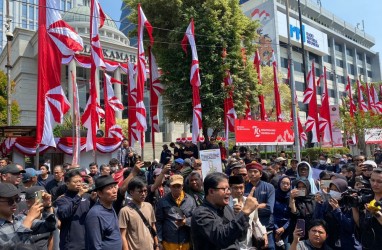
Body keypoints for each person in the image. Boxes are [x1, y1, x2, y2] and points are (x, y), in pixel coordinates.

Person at [191, 172, 259, 249]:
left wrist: (243, 216)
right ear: (211, 191)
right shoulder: (201, 214)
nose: (229, 192)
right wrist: (244, 213)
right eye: (224, 189)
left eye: (229, 188)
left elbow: (240, 236)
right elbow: (221, 238)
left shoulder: (226, 208)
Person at [0, 183, 56, 247]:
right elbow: (15, 247)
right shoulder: (26, 220)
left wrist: (48, 206)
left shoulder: (21, 218)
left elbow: (50, 226)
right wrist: (29, 218)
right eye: (10, 201)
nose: (14, 203)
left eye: (17, 199)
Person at [314, 179, 361, 250]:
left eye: (336, 190)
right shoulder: (327, 204)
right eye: (331, 189)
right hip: (329, 244)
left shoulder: (349, 205)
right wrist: (319, 205)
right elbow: (317, 222)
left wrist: (337, 210)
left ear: (343, 191)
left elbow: (349, 227)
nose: (333, 192)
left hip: (346, 245)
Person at [56, 170, 96, 250]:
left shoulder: (87, 197)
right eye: (75, 182)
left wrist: (93, 201)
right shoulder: (62, 199)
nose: (78, 184)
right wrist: (78, 196)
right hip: (71, 244)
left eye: (80, 181)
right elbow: (64, 214)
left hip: (88, 242)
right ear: (67, 183)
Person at [156, 175, 196, 249]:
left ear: (182, 186)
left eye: (178, 186)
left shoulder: (190, 200)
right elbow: (159, 222)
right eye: (173, 186)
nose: (176, 189)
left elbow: (195, 218)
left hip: (185, 241)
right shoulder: (162, 201)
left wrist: (185, 221)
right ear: (170, 187)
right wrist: (159, 241)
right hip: (169, 242)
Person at [228, 175, 267, 249]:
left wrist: (264, 233)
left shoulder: (250, 202)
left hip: (249, 244)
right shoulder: (225, 205)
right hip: (233, 245)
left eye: (241, 187)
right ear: (230, 188)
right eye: (236, 188)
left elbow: (256, 220)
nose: (239, 191)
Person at [119, 177, 159, 250]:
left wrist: (157, 245)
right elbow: (123, 235)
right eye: (140, 191)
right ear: (131, 192)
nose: (143, 194)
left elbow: (153, 226)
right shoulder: (125, 211)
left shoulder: (149, 206)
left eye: (145, 191)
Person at [245, 162, 276, 249]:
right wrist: (261, 205)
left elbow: (269, 209)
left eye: (255, 171)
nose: (252, 174)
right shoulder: (244, 188)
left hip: (266, 226)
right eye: (250, 171)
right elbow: (243, 209)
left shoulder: (269, 187)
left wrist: (251, 208)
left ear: (261, 174)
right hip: (250, 228)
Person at [85, 175, 121, 250]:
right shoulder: (95, 214)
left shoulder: (110, 207)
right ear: (100, 193)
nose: (114, 191)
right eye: (110, 188)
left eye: (115, 187)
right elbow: (95, 246)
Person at [352, 168, 382, 249]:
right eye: (372, 180)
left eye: (379, 182)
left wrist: (376, 214)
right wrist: (353, 205)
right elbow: (359, 223)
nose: (375, 184)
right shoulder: (367, 199)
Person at [23, 186, 56, 250]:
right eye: (40, 198)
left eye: (44, 198)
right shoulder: (21, 219)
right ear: (28, 202)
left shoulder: (47, 217)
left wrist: (48, 204)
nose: (42, 201)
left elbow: (51, 237)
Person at [274, 176, 292, 250]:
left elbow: (292, 215)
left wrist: (283, 228)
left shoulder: (292, 197)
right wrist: (276, 228)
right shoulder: (273, 195)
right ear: (279, 183)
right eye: (283, 183)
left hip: (287, 229)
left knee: (286, 248)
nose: (285, 185)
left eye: (288, 184)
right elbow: (271, 213)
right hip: (274, 227)